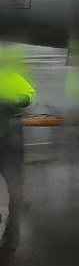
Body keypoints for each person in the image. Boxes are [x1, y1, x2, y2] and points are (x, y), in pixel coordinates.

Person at [0, 48, 36, 225]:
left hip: (10, 132)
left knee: (13, 170)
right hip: (9, 131)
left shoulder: (12, 77)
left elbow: (29, 95)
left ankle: (17, 203)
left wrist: (17, 99)